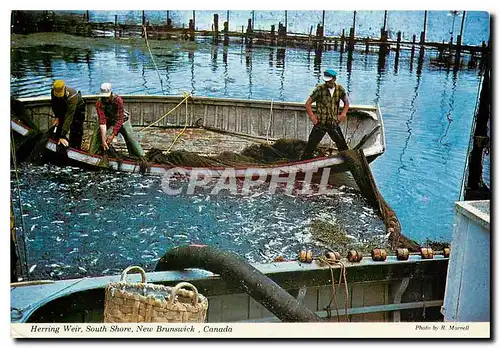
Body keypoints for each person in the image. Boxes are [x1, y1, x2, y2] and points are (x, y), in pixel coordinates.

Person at [301, 69, 350, 160]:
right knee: (310, 146)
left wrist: (343, 114)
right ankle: (304, 163)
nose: (327, 83)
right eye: (326, 81)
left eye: (329, 81)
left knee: (343, 146)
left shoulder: (340, 89)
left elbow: (347, 103)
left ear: (334, 79)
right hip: (321, 123)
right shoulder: (320, 89)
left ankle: (346, 161)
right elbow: (307, 104)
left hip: (333, 122)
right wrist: (312, 116)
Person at [89, 83, 145, 158]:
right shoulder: (99, 103)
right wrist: (103, 139)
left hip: (122, 120)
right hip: (108, 121)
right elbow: (102, 122)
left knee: (133, 143)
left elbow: (120, 119)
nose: (105, 99)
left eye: (106, 97)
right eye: (103, 97)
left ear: (110, 94)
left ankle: (138, 156)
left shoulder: (118, 100)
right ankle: (99, 153)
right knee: (94, 148)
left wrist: (113, 135)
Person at [51, 80, 85, 149]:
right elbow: (54, 104)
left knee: (76, 129)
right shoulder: (53, 91)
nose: (59, 96)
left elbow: (69, 116)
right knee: (60, 125)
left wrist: (62, 135)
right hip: (65, 105)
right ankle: (59, 140)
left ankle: (75, 147)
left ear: (64, 88)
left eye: (60, 95)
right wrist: (57, 117)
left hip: (78, 108)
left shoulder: (72, 96)